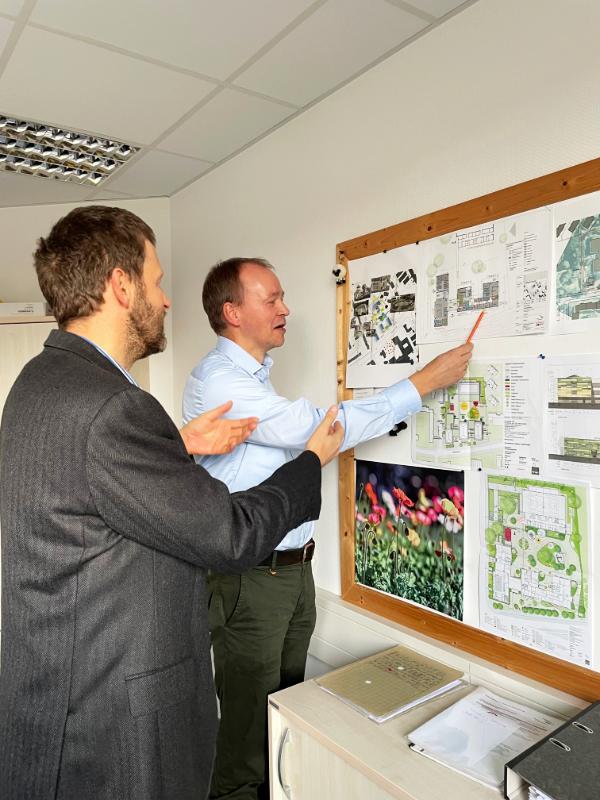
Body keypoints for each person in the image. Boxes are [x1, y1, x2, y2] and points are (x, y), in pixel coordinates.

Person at [0, 208, 344, 800]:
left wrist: (177, 446)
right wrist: (310, 461)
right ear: (120, 284)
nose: (165, 301)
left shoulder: (40, 382)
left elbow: (84, 490)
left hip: (51, 702)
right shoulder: (116, 408)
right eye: (157, 282)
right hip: (110, 731)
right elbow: (230, 533)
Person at [182, 257, 473, 800]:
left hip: (292, 572)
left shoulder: (254, 380)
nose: (285, 308)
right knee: (248, 729)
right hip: (249, 578)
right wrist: (422, 383)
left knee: (287, 715)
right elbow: (319, 430)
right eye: (271, 299)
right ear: (232, 312)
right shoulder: (220, 383)